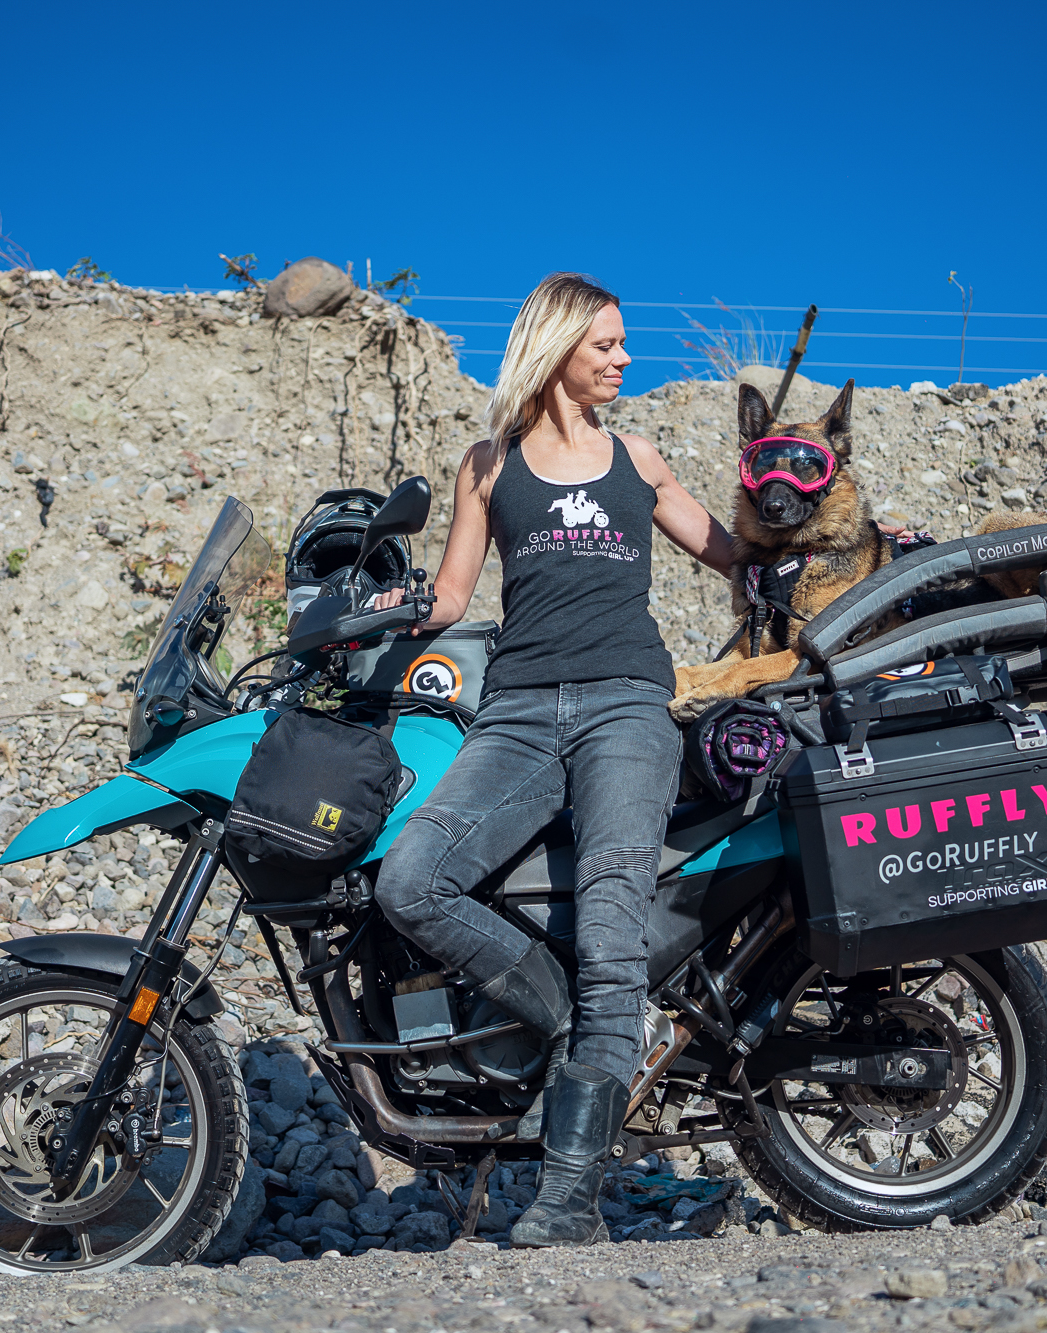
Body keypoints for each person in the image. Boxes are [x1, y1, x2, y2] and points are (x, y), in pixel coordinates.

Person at [369, 273, 735, 1248]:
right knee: (410, 881)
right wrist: (376, 610)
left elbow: (731, 553)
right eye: (605, 343)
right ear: (558, 345)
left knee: (613, 937)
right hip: (518, 713)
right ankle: (569, 1016)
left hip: (627, 707)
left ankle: (569, 1198)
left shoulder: (637, 459)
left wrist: (829, 546)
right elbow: (453, 596)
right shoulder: (488, 465)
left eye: (621, 343)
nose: (623, 358)